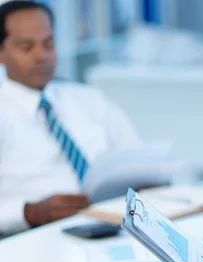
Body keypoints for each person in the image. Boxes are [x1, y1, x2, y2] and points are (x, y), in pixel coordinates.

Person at [0, 0, 140, 236]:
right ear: (1, 53)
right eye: (27, 47)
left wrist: (143, 183)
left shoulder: (90, 100)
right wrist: (29, 213)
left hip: (114, 226)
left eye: (49, 44)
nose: (41, 56)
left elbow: (138, 158)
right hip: (34, 238)